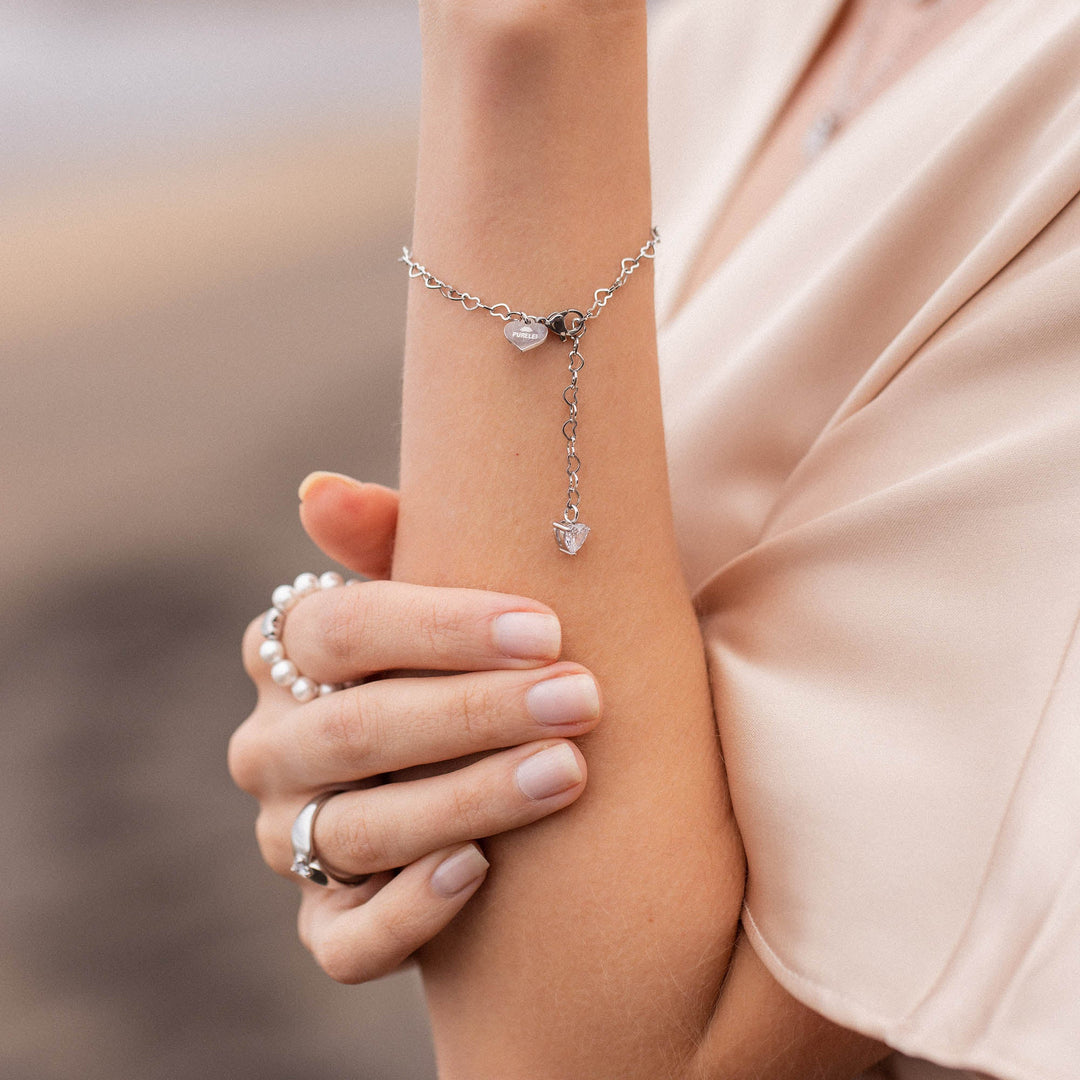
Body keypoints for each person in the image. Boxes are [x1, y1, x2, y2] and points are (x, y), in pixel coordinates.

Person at [229, 0, 1080, 1076]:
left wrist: (516, 50)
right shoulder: (722, 25)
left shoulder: (581, 42)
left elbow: (590, 1057)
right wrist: (387, 735)